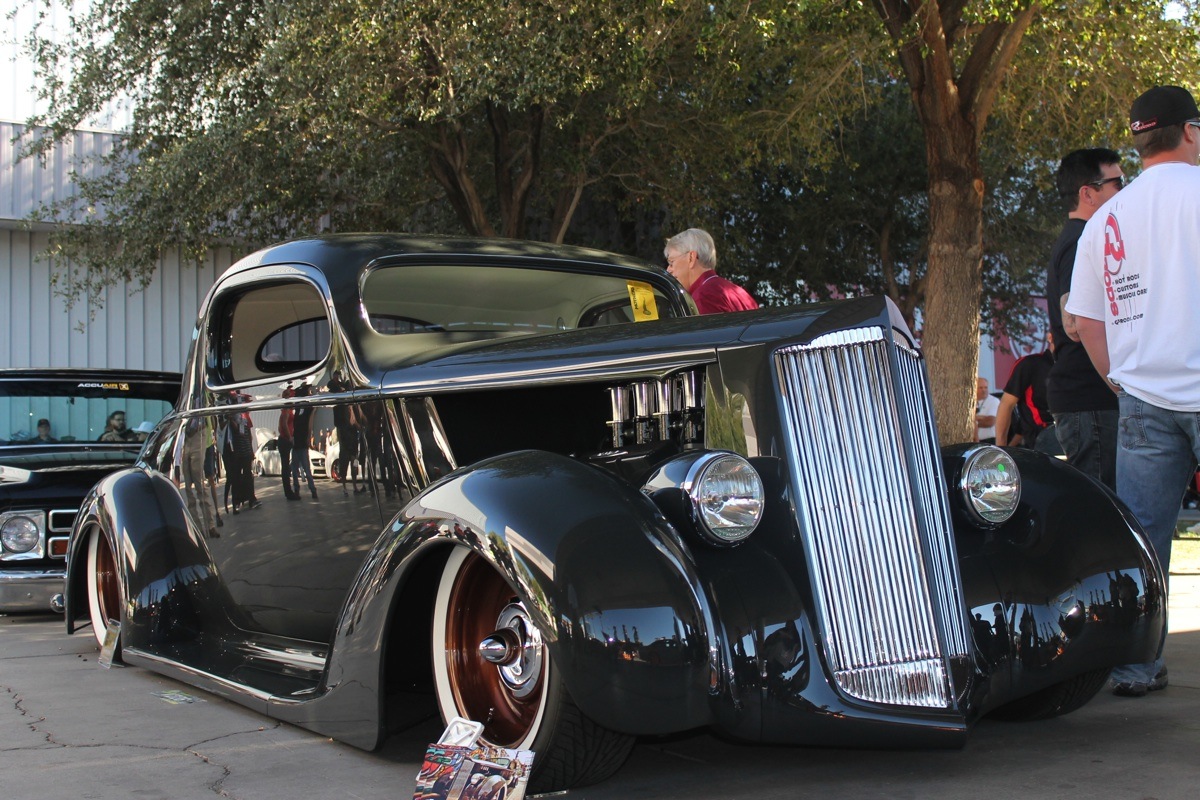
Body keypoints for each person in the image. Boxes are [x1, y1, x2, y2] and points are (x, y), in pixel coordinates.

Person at [1068, 84, 1200, 697]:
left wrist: (1122, 384)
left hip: (1142, 397)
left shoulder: (1105, 219)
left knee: (1145, 536)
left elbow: (1087, 322)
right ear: (1191, 132)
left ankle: (1137, 664)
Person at [1044, 148, 1124, 488]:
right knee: (1104, 517)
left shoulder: (1082, 238)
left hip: (1089, 400)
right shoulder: (1081, 240)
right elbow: (1074, 323)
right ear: (1088, 193)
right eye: (1117, 182)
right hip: (1090, 400)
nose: (1124, 189)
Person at [663, 228, 758, 314]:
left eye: (671, 262)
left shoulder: (704, 296)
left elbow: (706, 333)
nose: (668, 270)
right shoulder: (740, 293)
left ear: (691, 258)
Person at [995, 337, 1055, 450]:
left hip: (1076, 437)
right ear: (1050, 336)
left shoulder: (1078, 365)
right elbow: (1006, 405)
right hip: (1041, 440)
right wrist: (1001, 449)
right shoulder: (1030, 364)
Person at [973, 377, 1000, 443]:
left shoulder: (994, 401)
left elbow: (990, 422)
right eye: (980, 388)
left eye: (986, 387)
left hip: (989, 441)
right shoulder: (970, 402)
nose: (984, 390)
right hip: (975, 441)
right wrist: (981, 418)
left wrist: (974, 421)